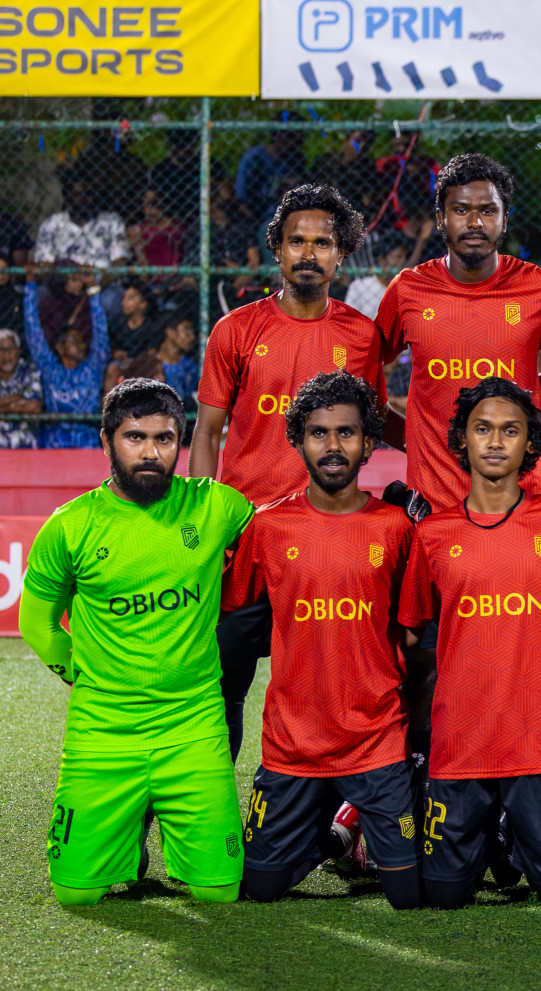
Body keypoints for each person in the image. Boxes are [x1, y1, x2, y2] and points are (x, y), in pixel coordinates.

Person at [19, 379, 254, 905]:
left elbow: (295, 525)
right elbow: (38, 624)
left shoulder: (217, 507)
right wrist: (82, 675)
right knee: (75, 895)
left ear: (182, 441)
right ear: (106, 441)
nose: (151, 452)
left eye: (165, 439)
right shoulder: (70, 527)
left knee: (218, 891)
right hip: (103, 732)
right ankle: (125, 846)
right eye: (135, 437)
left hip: (193, 727)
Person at [191, 183, 388, 761]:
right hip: (247, 541)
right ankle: (209, 813)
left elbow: (366, 432)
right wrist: (206, 523)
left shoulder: (360, 335)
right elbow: (206, 432)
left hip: (330, 543)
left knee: (333, 690)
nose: (309, 252)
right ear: (276, 249)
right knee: (220, 686)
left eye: (322, 242)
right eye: (296, 241)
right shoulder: (237, 331)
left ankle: (342, 825)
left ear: (340, 253)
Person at [223, 371, 419, 908]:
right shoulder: (266, 527)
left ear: (369, 442)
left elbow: (414, 628)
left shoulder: (396, 528)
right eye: (319, 433)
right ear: (297, 440)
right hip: (293, 744)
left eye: (347, 433)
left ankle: (351, 820)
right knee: (258, 889)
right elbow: (236, 617)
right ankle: (328, 835)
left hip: (377, 739)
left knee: (410, 894)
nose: (333, 447)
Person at [400, 377, 541, 911]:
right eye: (482, 429)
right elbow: (412, 629)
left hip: (537, 745)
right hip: (460, 747)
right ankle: (496, 836)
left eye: (511, 430)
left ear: (531, 442)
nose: (496, 441)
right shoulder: (433, 534)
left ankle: (509, 833)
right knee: (442, 898)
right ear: (461, 439)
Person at [378, 153, 541, 511]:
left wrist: (530, 406)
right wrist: (414, 439)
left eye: (488, 211)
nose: (475, 222)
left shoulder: (540, 288)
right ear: (440, 218)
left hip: (521, 496)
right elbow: (368, 377)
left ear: (505, 219)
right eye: (461, 210)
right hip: (435, 499)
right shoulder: (408, 290)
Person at [22, 268, 110, 448]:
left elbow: (100, 334)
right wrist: (30, 286)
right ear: (60, 347)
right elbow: (34, 333)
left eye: (82, 341)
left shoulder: (92, 368)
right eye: (75, 341)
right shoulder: (50, 369)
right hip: (53, 446)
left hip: (88, 446)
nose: (82, 345)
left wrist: (93, 290)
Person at [33, 178, 132, 270]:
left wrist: (99, 278)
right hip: (62, 281)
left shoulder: (112, 222)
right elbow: (44, 262)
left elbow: (121, 258)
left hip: (102, 280)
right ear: (68, 198)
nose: (86, 199)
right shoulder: (52, 224)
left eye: (89, 194)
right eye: (79, 194)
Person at [344, 231, 408, 320]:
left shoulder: (406, 292)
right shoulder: (359, 287)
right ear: (381, 260)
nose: (401, 262)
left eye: (404, 257)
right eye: (397, 257)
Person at [0, 327, 43, 447]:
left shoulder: (29, 370)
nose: (5, 355)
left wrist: (3, 410)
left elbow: (33, 406)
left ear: (17, 351)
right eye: (1, 349)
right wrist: (16, 400)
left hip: (24, 442)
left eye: (10, 349)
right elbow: (25, 405)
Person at [109, 283, 160, 359]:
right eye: (124, 297)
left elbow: (151, 355)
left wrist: (128, 357)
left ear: (143, 305)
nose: (124, 302)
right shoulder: (117, 324)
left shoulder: (151, 329)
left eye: (130, 298)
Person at [157, 317, 200, 402]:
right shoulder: (151, 364)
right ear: (170, 332)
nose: (192, 337)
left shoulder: (191, 367)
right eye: (187, 331)